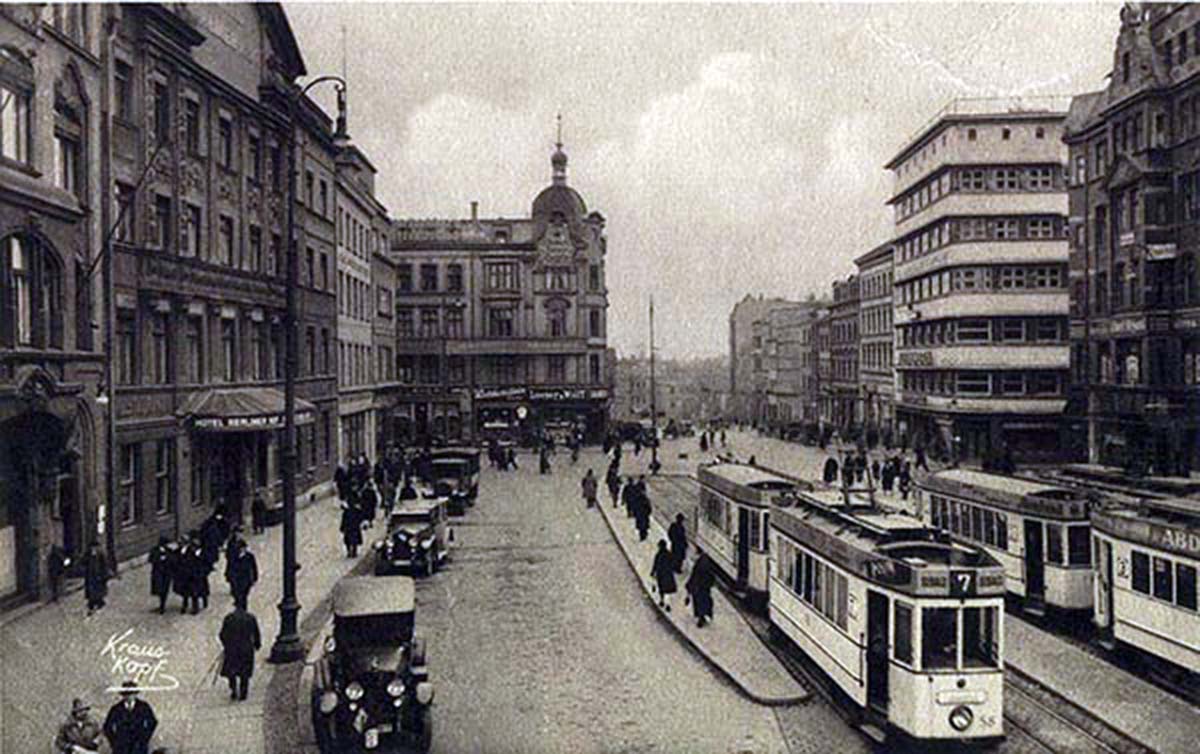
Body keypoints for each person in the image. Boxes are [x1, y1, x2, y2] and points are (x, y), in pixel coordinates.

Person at [219, 602, 261, 701]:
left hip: (232, 648)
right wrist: (257, 644)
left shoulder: (229, 618)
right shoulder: (251, 618)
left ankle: (233, 689)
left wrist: (226, 644)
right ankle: (243, 692)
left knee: (232, 670)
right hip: (246, 648)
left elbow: (222, 634)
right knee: (244, 671)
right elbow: (256, 633)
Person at [103, 681, 157, 754]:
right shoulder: (116, 709)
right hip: (121, 747)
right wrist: (114, 741)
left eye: (132, 694)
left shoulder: (143, 707)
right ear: (123, 695)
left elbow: (153, 722)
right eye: (127, 694)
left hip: (138, 746)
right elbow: (107, 726)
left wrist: (145, 737)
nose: (129, 697)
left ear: (135, 694)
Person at [225, 539, 258, 610]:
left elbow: (254, 567)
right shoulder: (234, 556)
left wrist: (255, 577)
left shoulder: (250, 556)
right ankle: (239, 606)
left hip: (246, 579)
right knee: (237, 594)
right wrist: (228, 576)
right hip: (236, 579)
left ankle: (242, 607)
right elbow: (230, 566)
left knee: (244, 595)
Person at [685, 553, 716, 627]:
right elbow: (712, 578)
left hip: (698, 588)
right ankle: (706, 614)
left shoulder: (698, 568)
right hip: (704, 588)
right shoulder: (708, 568)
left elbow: (694, 577)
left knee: (699, 603)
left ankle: (701, 618)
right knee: (705, 601)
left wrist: (689, 586)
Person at [81, 541, 108, 617]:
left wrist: (104, 575)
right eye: (93, 548)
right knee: (91, 591)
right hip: (90, 576)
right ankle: (91, 605)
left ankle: (99, 603)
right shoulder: (88, 554)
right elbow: (82, 561)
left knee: (98, 591)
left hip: (98, 576)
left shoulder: (101, 555)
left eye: (95, 547)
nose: (94, 549)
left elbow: (104, 565)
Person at [149, 535, 174, 614]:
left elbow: (173, 560)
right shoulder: (154, 550)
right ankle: (161, 605)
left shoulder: (169, 551)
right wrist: (159, 559)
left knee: (165, 589)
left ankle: (162, 606)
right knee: (159, 589)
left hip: (166, 573)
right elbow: (150, 559)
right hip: (158, 573)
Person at [650, 540, 677, 611]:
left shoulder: (658, 555)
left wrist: (653, 572)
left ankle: (662, 601)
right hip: (668, 574)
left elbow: (655, 564)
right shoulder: (669, 554)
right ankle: (667, 603)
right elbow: (673, 563)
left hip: (661, 574)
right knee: (667, 590)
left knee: (662, 589)